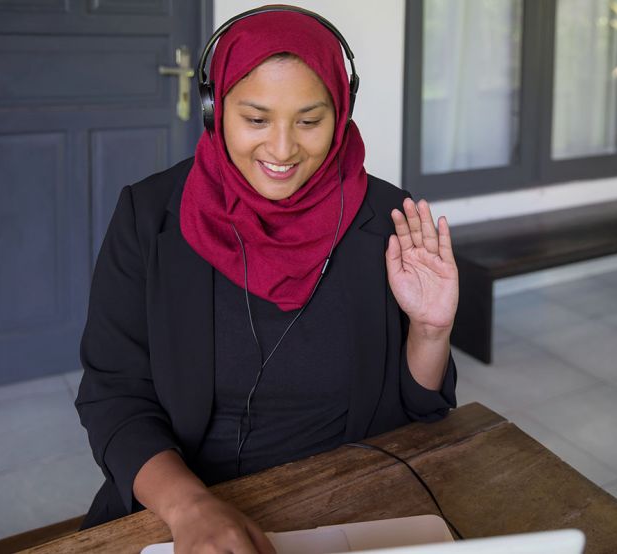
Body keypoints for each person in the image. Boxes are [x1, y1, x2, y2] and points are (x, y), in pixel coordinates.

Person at [75, 6, 458, 553]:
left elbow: (423, 411)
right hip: (183, 510)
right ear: (214, 110)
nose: (282, 150)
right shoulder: (149, 215)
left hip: (352, 502)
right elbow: (112, 395)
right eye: (256, 119)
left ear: (342, 112)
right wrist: (191, 507)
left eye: (309, 120)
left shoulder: (387, 219)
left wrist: (430, 330)